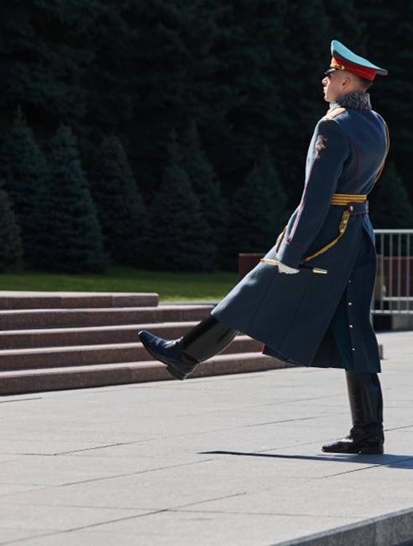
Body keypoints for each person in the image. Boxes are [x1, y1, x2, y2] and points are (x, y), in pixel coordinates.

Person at [138, 40, 391, 455]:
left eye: (330, 75)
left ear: (346, 81)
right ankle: (368, 433)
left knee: (253, 290)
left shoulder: (334, 126)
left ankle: (184, 356)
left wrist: (291, 251)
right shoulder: (377, 123)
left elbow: (316, 197)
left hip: (324, 237)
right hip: (358, 235)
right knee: (354, 328)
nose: (324, 81)